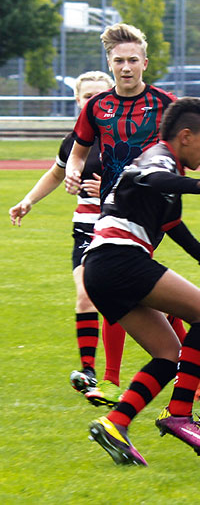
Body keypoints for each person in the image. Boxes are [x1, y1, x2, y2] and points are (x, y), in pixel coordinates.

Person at [64, 23, 200, 405]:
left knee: (143, 293)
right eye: (119, 61)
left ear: (145, 63)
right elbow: (79, 150)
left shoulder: (165, 102)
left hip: (150, 209)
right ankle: (163, 377)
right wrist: (72, 169)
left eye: (133, 60)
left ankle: (172, 373)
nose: (126, 67)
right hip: (115, 214)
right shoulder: (96, 107)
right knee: (140, 295)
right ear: (110, 63)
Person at [84, 97, 200, 466]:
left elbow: (170, 223)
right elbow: (148, 177)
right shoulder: (159, 159)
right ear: (185, 136)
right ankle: (180, 414)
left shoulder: (167, 173)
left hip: (102, 268)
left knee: (168, 355)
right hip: (118, 259)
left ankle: (116, 423)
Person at [9, 71, 114, 393]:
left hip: (122, 227)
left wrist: (108, 191)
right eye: (87, 97)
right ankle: (89, 371)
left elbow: (148, 182)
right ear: (78, 102)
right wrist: (27, 201)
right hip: (84, 229)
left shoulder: (124, 139)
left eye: (100, 96)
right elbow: (55, 175)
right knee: (85, 295)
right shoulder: (74, 141)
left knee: (141, 303)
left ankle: (188, 362)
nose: (93, 102)